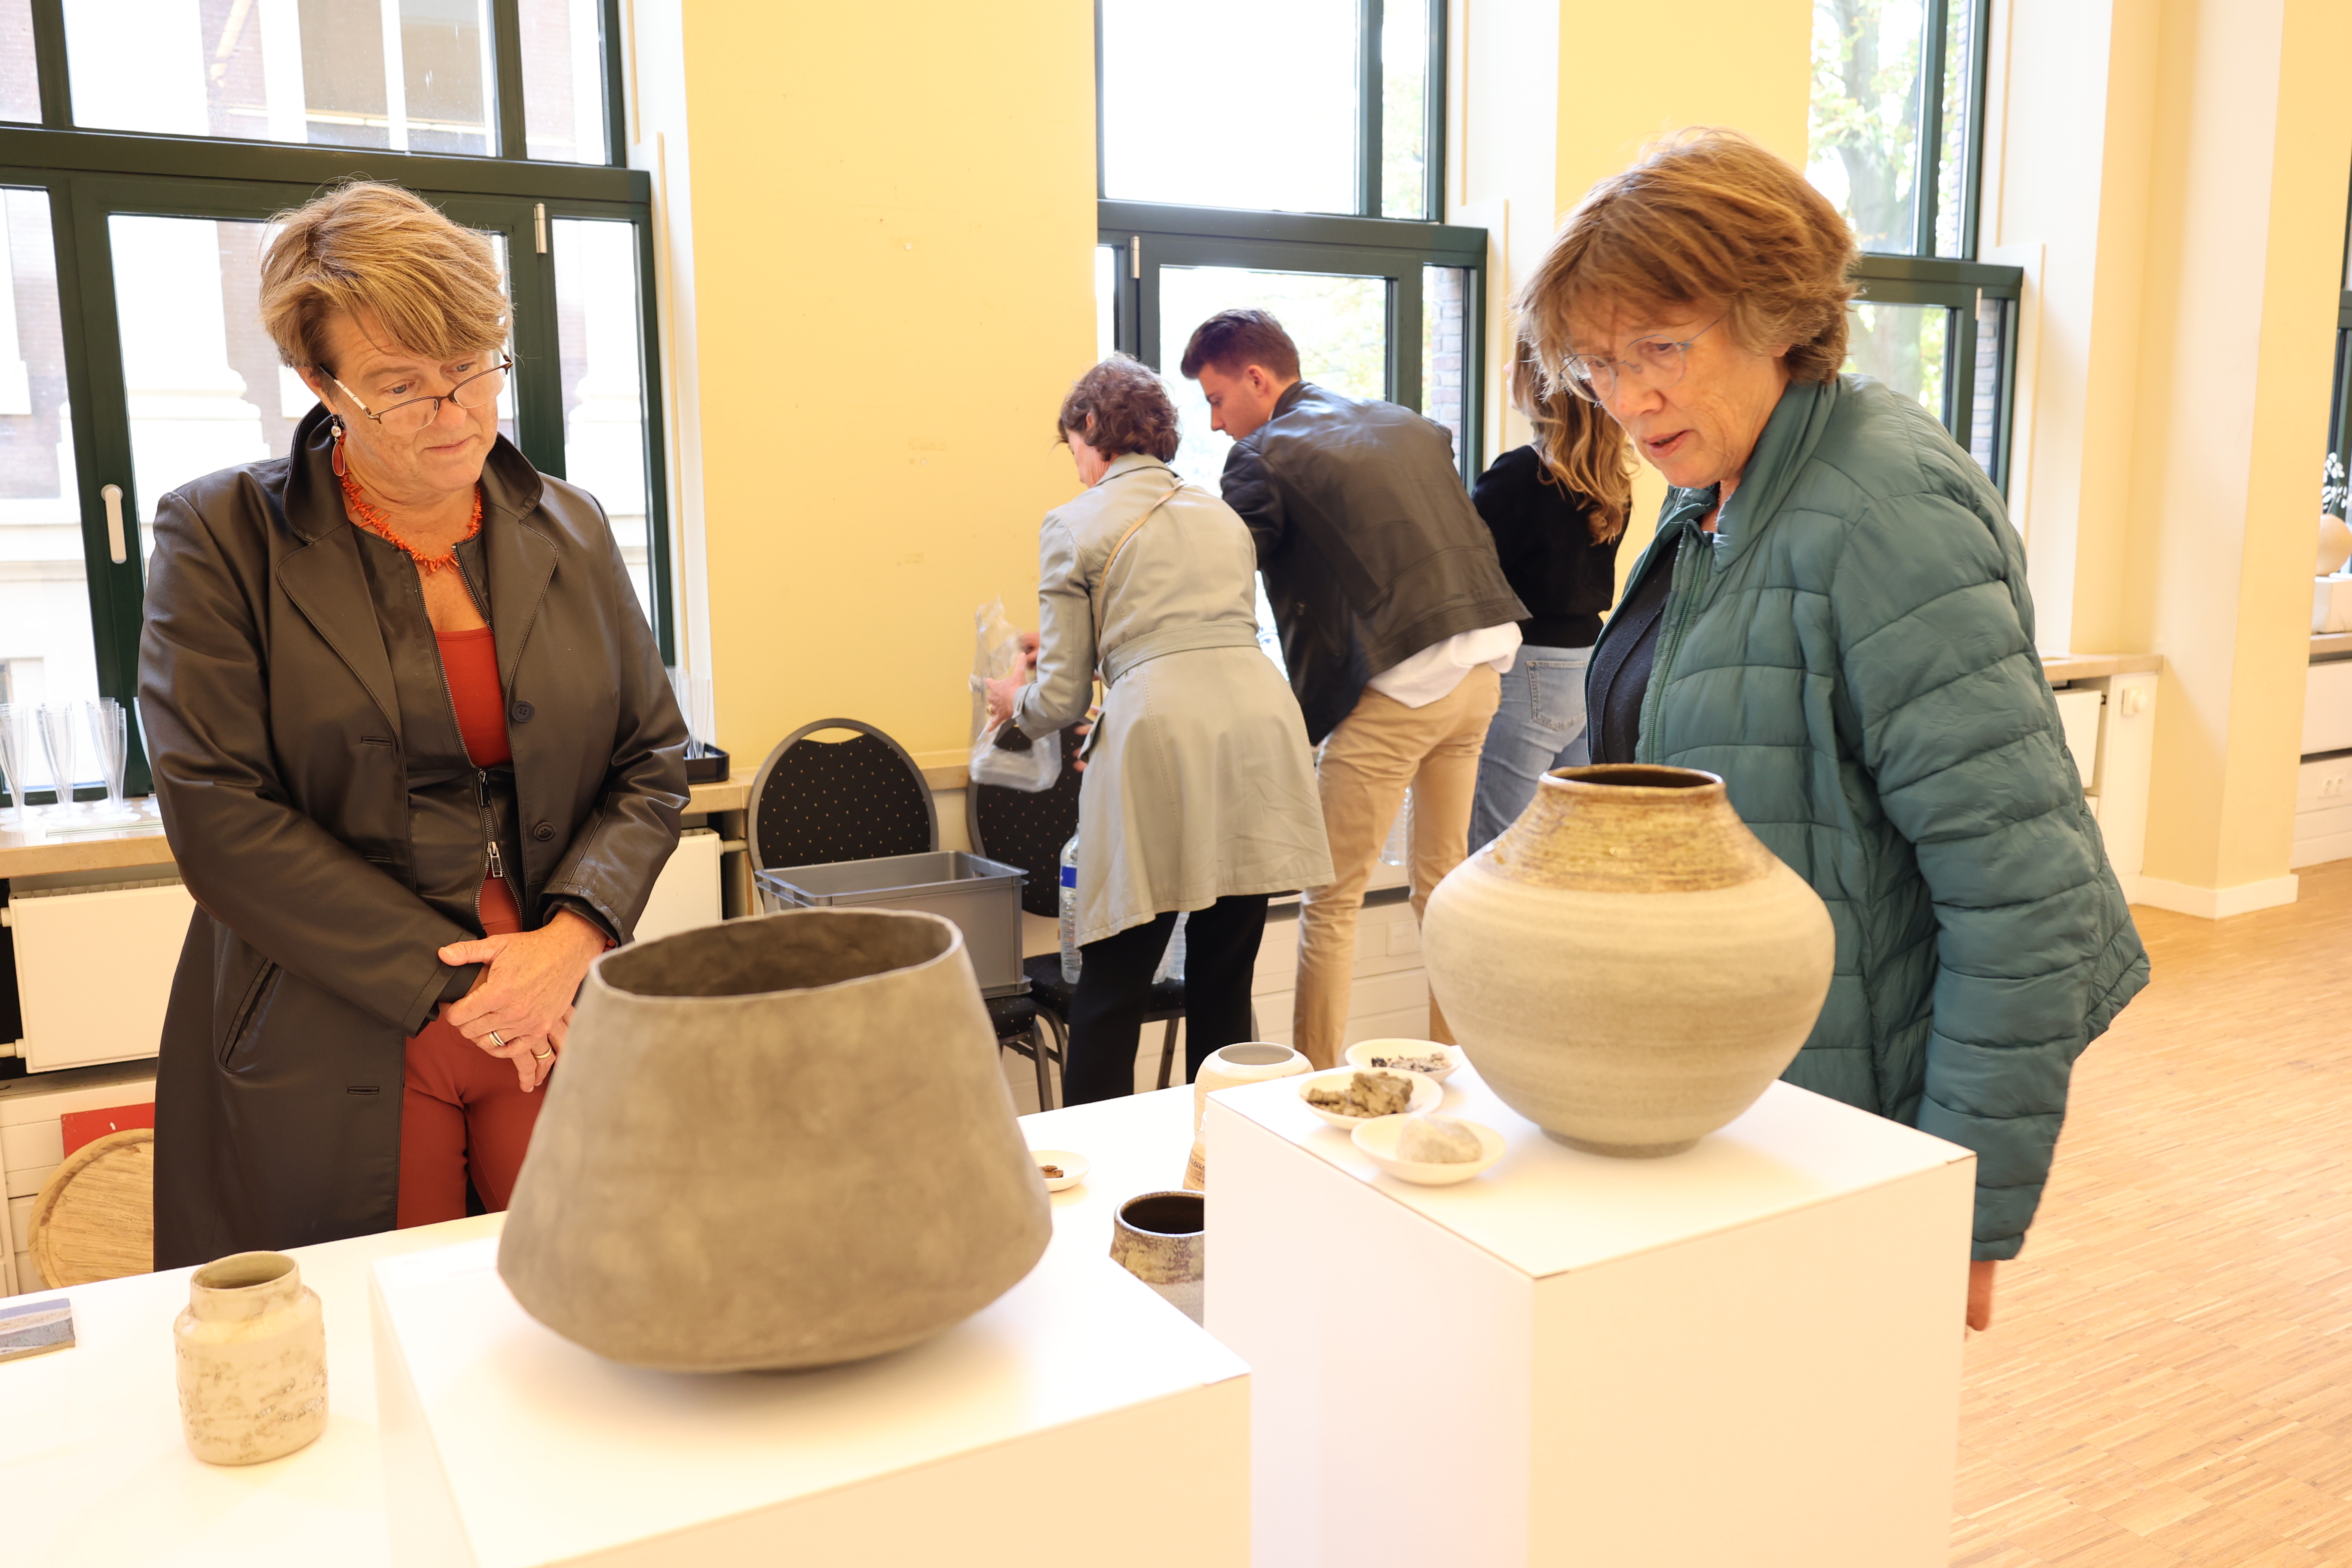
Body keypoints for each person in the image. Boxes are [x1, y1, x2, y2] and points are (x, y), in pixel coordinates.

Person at [1518, 129, 2148, 1330]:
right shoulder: (1717, 494)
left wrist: (1962, 1209)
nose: (1629, 398)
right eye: (1598, 362)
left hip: (1841, 1127)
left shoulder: (1881, 509)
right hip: (1726, 1098)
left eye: (1661, 348)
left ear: (1776, 317)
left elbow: (2026, 894)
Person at [140, 181, 688, 1267]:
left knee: (583, 1306)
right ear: (321, 385)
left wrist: (572, 939)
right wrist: (470, 986)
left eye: (473, 369)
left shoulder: (572, 528)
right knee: (370, 1333)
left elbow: (651, 760)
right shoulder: (220, 535)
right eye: (402, 387)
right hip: (342, 1017)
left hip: (550, 1008)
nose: (456, 414)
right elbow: (217, 813)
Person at [1183, 309, 1525, 1070]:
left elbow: (1217, 575)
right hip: (1480, 669)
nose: (1214, 423)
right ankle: (1459, 1069)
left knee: (1332, 901)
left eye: (1215, 399)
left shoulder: (1261, 454)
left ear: (1256, 378)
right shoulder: (1408, 424)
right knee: (1443, 887)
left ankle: (1311, 1087)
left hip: (1399, 688)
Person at [985, 356, 1330, 1104]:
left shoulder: (1071, 523)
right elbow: (1182, 631)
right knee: (1224, 980)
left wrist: (1013, 700)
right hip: (1260, 728)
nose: (1078, 467)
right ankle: (1221, 1154)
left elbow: (1061, 697)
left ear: (1089, 427)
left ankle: (1098, 1162)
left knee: (1112, 984)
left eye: (1073, 448)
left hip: (1163, 740)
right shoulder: (1219, 514)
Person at [1467, 335, 1634, 847]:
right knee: (1565, 844)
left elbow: (1470, 575)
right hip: (1589, 665)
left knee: (1498, 848)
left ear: (1540, 383)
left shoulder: (1519, 474)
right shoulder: (1611, 479)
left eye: (1514, 364)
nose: (1503, 371)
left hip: (1527, 669)